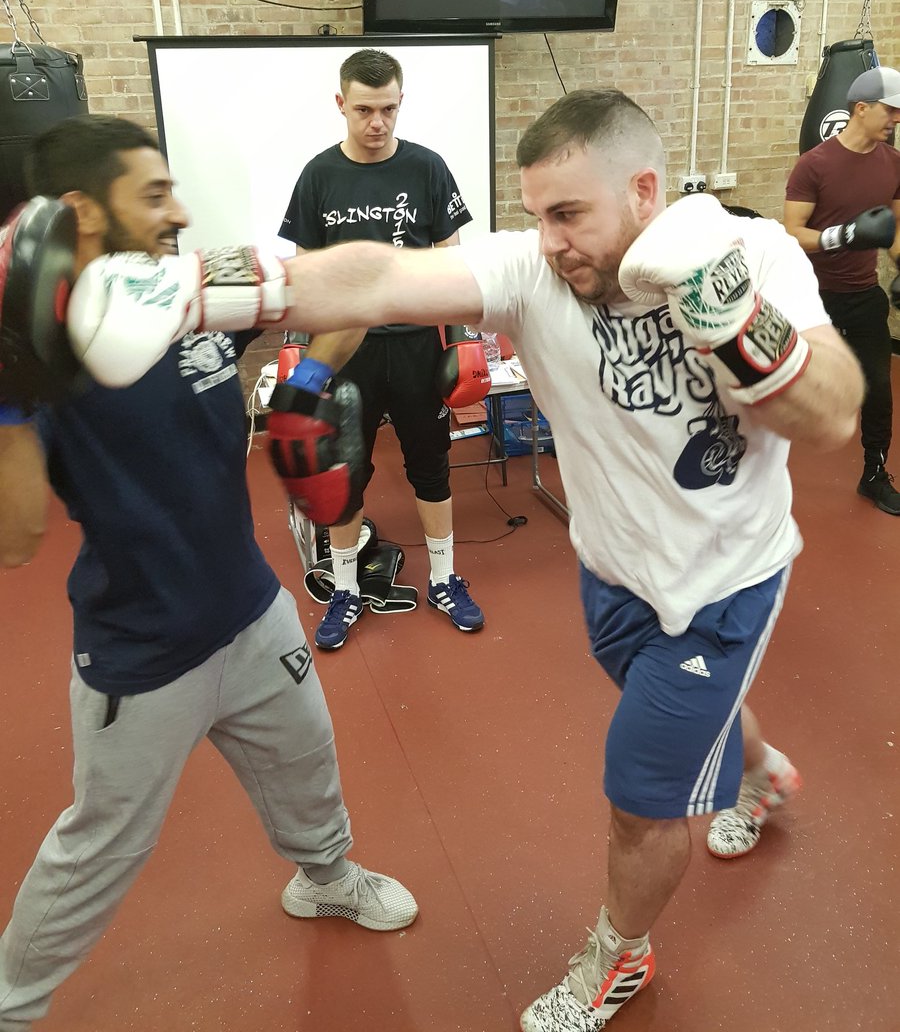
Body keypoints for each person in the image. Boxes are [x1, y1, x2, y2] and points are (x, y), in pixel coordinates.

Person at [10, 90, 864, 1032]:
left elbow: (831, 415)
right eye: (536, 215)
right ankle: (760, 765)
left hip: (724, 584)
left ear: (645, 191)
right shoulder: (534, 268)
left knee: (641, 793)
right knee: (688, 712)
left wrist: (733, 316)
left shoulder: (753, 259)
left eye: (570, 214)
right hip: (616, 570)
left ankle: (621, 956)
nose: (550, 240)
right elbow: (371, 277)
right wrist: (180, 290)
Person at [0, 116, 417, 1032]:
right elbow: (16, 538)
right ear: (84, 210)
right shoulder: (45, 352)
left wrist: (304, 383)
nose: (179, 211)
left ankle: (327, 879)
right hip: (143, 656)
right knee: (102, 848)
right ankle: (11, 1004)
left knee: (309, 761)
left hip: (252, 609)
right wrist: (11, 394)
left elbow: (337, 296)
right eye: (153, 195)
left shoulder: (188, 289)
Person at [277, 48, 485, 650]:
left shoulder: (427, 167)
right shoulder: (319, 175)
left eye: (388, 109)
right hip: (347, 354)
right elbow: (305, 271)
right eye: (364, 109)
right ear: (341, 104)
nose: (377, 122)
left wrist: (464, 337)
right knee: (347, 471)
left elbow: (450, 257)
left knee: (431, 465)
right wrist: (300, 354)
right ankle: (344, 588)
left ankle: (446, 578)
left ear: (400, 104)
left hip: (419, 344)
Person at [784, 64, 900, 515]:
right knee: (777, 385)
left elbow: (893, 231)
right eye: (890, 111)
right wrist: (842, 236)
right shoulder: (815, 164)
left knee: (878, 389)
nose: (895, 120)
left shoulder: (894, 164)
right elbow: (791, 230)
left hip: (863, 294)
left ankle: (874, 474)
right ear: (861, 108)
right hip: (809, 297)